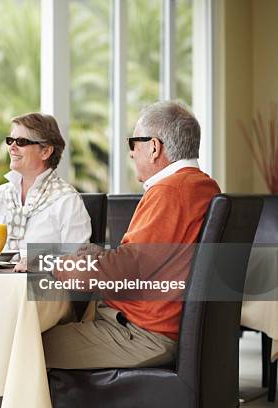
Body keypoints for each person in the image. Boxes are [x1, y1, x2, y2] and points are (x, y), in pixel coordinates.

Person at [42, 100, 221, 370]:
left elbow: (125, 269)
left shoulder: (170, 192)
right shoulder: (205, 186)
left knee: (23, 346)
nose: (131, 154)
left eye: (133, 143)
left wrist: (52, 263)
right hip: (165, 330)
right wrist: (102, 256)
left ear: (153, 147)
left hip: (142, 334)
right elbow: (151, 261)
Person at [0, 112, 91, 259]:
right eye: (10, 140)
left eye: (21, 142)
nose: (12, 148)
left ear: (46, 151)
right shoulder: (0, 195)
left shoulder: (67, 200)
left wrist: (38, 264)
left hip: (42, 282)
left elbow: (79, 262)